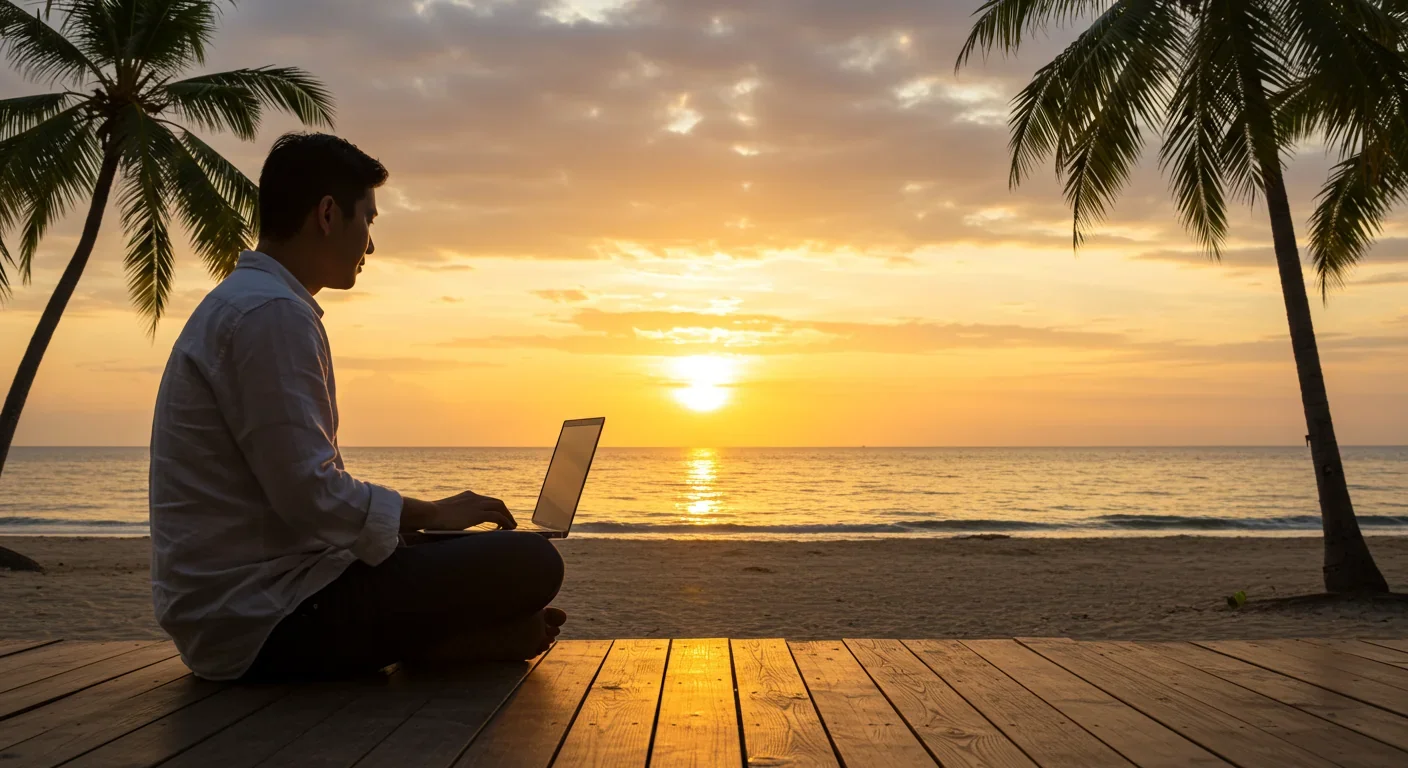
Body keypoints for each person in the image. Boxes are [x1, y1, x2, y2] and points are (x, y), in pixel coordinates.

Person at [149, 133, 567, 681]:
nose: (370, 245)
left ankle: (453, 640)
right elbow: (312, 495)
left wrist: (410, 532)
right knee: (532, 561)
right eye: (368, 220)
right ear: (327, 214)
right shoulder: (271, 316)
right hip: (263, 619)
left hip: (255, 601)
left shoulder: (252, 305)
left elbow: (304, 501)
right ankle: (449, 642)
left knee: (456, 552)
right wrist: (434, 513)